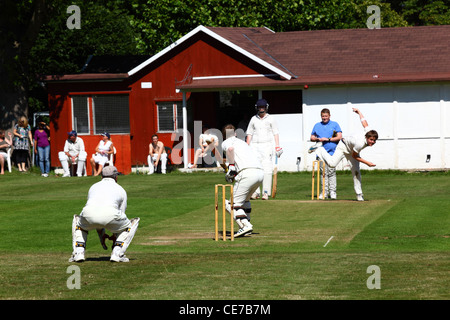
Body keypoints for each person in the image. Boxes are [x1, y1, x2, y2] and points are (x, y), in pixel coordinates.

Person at [69, 166, 139, 263]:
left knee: (78, 222)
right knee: (131, 224)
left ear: (101, 177)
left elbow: (95, 212)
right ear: (116, 177)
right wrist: (115, 235)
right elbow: (121, 214)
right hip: (111, 216)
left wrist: (101, 234)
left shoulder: (93, 187)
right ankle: (117, 253)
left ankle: (78, 253)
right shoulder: (120, 189)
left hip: (88, 215)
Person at [309, 108, 378, 201]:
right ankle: (320, 149)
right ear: (366, 137)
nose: (372, 142)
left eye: (374, 140)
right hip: (343, 146)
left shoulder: (369, 131)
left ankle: (359, 194)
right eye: (371, 140)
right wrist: (367, 163)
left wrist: (359, 113)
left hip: (351, 150)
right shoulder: (360, 143)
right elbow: (355, 156)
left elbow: (364, 123)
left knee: (356, 172)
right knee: (332, 164)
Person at [216, 124, 264, 237]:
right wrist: (231, 171)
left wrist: (231, 167)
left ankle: (246, 226)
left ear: (224, 136)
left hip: (247, 173)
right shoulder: (243, 143)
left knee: (231, 204)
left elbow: (230, 149)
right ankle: (245, 225)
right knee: (245, 200)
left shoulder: (227, 142)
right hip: (260, 173)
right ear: (235, 133)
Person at [246, 99, 283, 200]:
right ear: (256, 108)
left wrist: (277, 146)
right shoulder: (253, 119)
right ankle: (256, 192)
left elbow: (275, 132)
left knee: (267, 170)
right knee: (255, 170)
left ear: (266, 107)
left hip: (267, 146)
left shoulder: (271, 119)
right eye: (259, 107)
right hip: (255, 146)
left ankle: (265, 192)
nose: (261, 109)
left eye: (263, 107)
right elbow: (249, 133)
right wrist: (247, 146)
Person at [310, 108, 342, 199]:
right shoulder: (317, 125)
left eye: (326, 116)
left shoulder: (334, 124)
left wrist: (327, 139)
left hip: (332, 152)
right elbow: (312, 137)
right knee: (322, 173)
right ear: (321, 116)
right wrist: (317, 139)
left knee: (331, 172)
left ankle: (333, 192)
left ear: (329, 116)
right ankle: (324, 192)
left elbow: (339, 137)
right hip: (320, 152)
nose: (324, 118)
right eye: (323, 116)